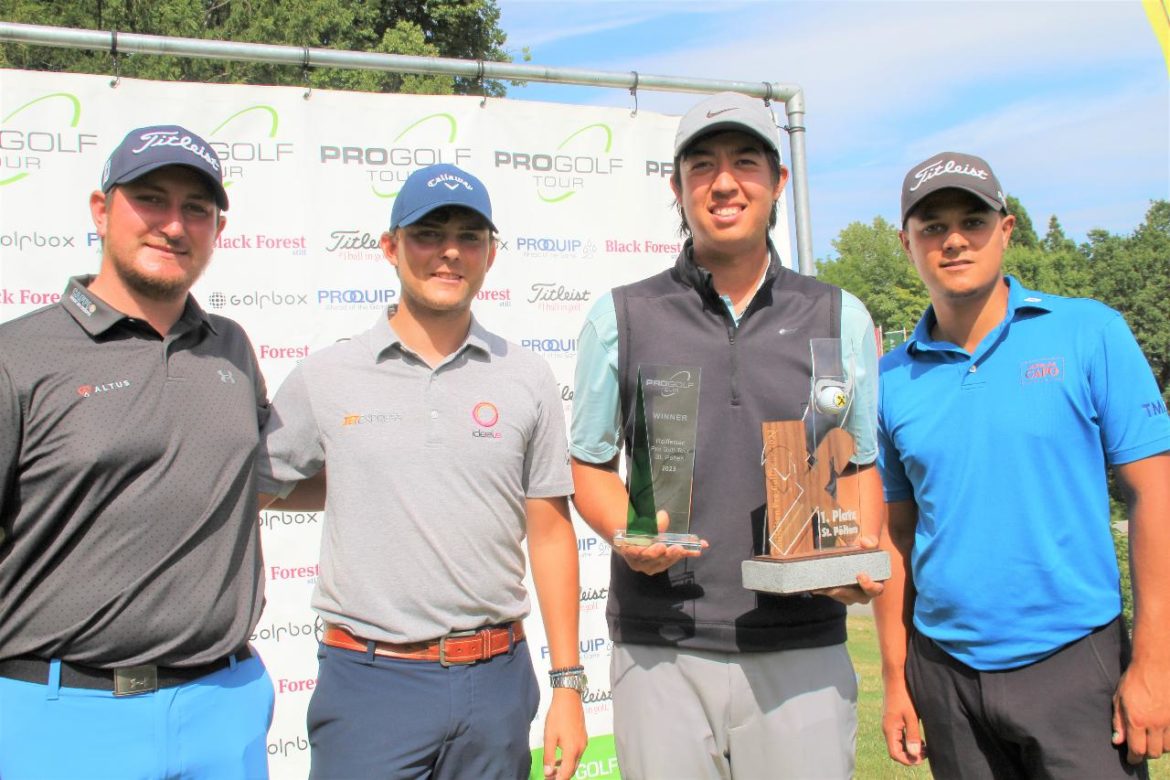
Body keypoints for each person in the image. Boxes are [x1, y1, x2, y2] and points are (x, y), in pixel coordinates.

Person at [569, 91, 884, 779]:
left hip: (802, 646)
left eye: (745, 162)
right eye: (702, 166)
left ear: (779, 182)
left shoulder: (838, 315)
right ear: (677, 189)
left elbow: (857, 466)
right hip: (663, 648)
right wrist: (627, 531)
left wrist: (854, 558)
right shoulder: (620, 316)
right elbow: (589, 464)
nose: (724, 182)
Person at [257, 163, 587, 780]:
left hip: (495, 681)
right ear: (390, 247)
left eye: (469, 235)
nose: (449, 252)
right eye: (428, 233)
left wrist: (568, 682)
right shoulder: (328, 375)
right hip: (368, 685)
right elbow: (253, 486)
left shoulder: (528, 376)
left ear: (492, 252)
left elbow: (549, 532)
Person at [874, 151, 1170, 778]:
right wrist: (896, 680)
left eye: (972, 221)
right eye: (931, 226)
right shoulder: (889, 380)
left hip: (1075, 664)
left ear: (1006, 230)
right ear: (907, 243)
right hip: (944, 673)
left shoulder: (1090, 333)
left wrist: (1154, 663)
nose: (953, 240)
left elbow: (1155, 496)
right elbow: (894, 537)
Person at [0, 125, 273, 778]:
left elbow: (269, 475)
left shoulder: (230, 346)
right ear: (101, 210)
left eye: (196, 209)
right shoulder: (19, 357)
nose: (173, 225)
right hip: (59, 712)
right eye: (151, 199)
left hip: (223, 704)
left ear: (216, 228)